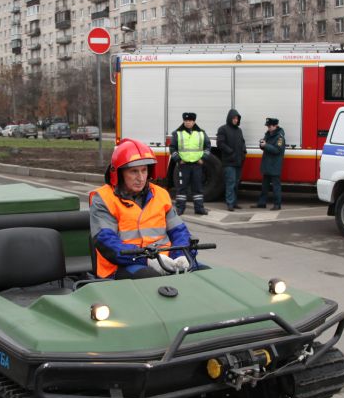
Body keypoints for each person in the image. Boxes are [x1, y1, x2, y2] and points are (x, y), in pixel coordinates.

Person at [89, 139, 197, 279]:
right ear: (119, 173)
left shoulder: (161, 194)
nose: (140, 178)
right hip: (121, 266)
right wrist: (146, 258)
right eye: (134, 171)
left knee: (204, 273)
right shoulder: (103, 198)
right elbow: (107, 243)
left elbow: (180, 232)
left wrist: (180, 256)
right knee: (150, 277)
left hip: (165, 261)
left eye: (144, 170)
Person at [169, 112, 211, 215]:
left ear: (194, 121)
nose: (188, 122)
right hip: (183, 165)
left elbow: (207, 146)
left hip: (197, 164)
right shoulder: (177, 133)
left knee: (198, 187)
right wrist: (178, 159)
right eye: (186, 121)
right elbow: (172, 148)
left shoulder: (201, 133)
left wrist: (203, 158)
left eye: (190, 121)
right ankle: (180, 209)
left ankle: (199, 208)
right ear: (183, 121)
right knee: (181, 188)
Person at [216, 109, 246, 212]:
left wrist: (244, 152)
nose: (235, 120)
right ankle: (229, 203)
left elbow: (242, 142)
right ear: (230, 118)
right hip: (229, 162)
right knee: (230, 182)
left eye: (237, 118)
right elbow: (220, 144)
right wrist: (231, 152)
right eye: (234, 118)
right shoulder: (223, 129)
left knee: (236, 183)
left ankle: (234, 202)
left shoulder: (239, 130)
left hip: (238, 161)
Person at [256, 117, 286, 210]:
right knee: (264, 186)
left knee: (276, 187)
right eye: (267, 126)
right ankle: (262, 203)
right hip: (267, 164)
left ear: (275, 126)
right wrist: (262, 144)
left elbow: (277, 150)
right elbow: (265, 146)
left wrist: (266, 145)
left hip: (274, 165)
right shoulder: (268, 134)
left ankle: (277, 205)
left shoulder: (280, 137)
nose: (268, 128)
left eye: (269, 126)